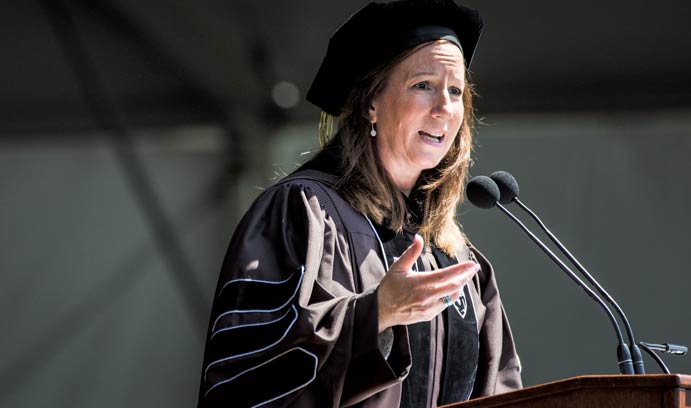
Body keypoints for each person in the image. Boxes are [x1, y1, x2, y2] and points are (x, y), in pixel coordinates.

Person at [196, 0, 522, 406]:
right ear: (371, 103)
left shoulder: (457, 261)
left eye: (455, 91)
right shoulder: (301, 214)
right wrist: (376, 314)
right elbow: (243, 377)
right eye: (423, 85)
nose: (444, 108)